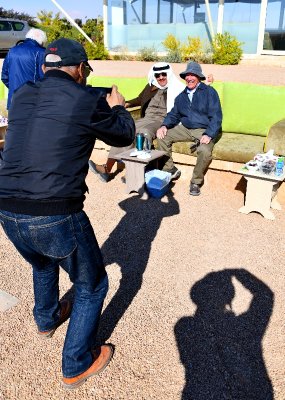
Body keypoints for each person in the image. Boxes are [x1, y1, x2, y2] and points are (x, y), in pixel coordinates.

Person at [0, 38, 135, 389]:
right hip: (55, 212)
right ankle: (76, 362)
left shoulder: (23, 96)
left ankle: (46, 319)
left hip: (7, 209)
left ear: (46, 67)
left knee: (43, 262)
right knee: (92, 285)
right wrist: (117, 107)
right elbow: (124, 136)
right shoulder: (86, 99)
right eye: (85, 70)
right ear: (78, 69)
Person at [89, 62, 214, 182]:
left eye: (163, 74)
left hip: (161, 120)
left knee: (144, 132)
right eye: (157, 75)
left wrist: (208, 84)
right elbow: (139, 99)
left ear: (168, 74)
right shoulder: (151, 86)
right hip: (146, 117)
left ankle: (137, 171)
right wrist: (126, 104)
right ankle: (107, 168)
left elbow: (195, 93)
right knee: (123, 129)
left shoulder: (177, 88)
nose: (161, 77)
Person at [156, 61, 222, 196]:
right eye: (187, 75)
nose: (189, 78)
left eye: (193, 75)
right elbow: (174, 114)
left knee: (204, 150)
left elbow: (216, 116)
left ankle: (196, 182)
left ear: (198, 77)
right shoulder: (181, 96)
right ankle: (170, 169)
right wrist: (164, 125)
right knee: (162, 136)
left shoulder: (210, 92)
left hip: (204, 129)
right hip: (186, 128)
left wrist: (209, 134)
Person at [1, 28, 47, 110]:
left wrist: (16, 88)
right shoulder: (41, 52)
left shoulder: (12, 50)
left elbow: (4, 77)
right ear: (41, 40)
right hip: (32, 102)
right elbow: (44, 79)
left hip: (13, 101)